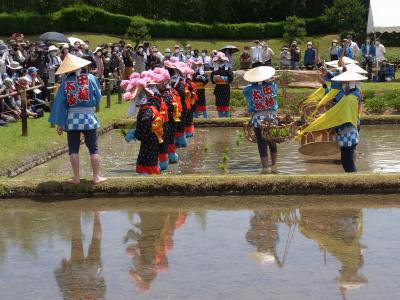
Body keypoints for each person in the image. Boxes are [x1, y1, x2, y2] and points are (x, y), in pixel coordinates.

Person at [48, 54, 106, 184]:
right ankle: (96, 177)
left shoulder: (65, 82)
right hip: (89, 117)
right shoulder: (91, 78)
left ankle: (76, 177)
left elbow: (60, 103)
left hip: (72, 118)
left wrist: (60, 123)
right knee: (94, 149)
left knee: (73, 149)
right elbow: (98, 97)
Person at [298, 67, 367, 173]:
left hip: (347, 132)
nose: (342, 86)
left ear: (349, 84)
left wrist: (319, 123)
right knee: (347, 159)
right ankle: (353, 179)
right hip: (350, 131)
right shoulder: (355, 94)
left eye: (344, 84)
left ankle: (353, 181)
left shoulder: (349, 99)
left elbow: (336, 115)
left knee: (347, 161)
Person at [243, 66, 279, 174]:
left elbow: (245, 91)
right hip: (272, 117)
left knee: (261, 143)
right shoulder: (273, 85)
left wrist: (255, 84)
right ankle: (274, 166)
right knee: (272, 141)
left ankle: (265, 168)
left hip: (258, 117)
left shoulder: (249, 89)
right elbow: (274, 85)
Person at [211, 52, 233, 117]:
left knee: (226, 104)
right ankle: (220, 117)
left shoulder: (228, 69)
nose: (219, 62)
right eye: (218, 61)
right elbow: (212, 80)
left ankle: (227, 118)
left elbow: (231, 78)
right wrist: (214, 78)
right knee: (219, 104)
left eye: (221, 61)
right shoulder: (215, 69)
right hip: (218, 88)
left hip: (225, 88)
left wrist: (223, 78)